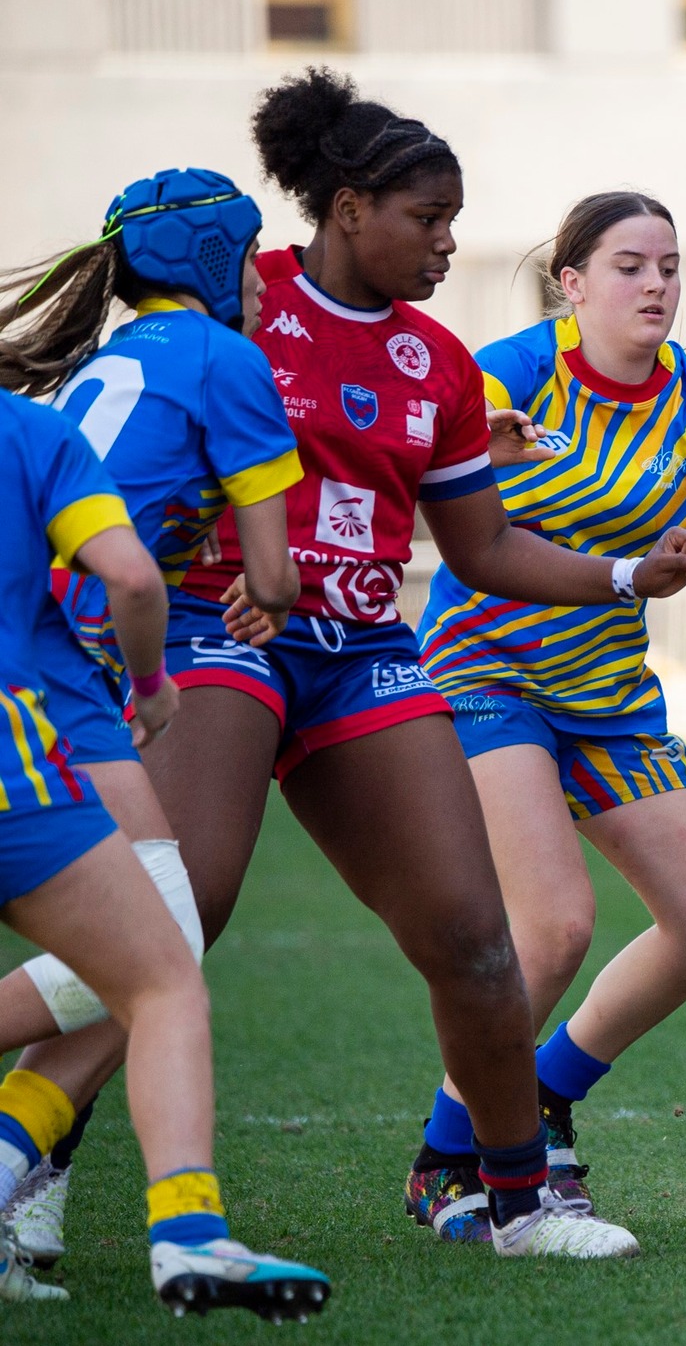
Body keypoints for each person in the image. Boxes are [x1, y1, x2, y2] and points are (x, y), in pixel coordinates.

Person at [0, 67, 686, 1261]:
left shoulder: (440, 364)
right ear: (344, 209)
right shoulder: (238, 295)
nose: (447, 243)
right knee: (178, 916)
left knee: (476, 937)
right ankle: (36, 1176)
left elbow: (480, 547)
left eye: (451, 220)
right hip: (214, 633)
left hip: (363, 653)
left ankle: (511, 1199)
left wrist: (625, 574)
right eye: (425, 218)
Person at [401, 190, 686, 1239]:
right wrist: (464, 457)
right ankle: (446, 1159)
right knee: (550, 926)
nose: (656, 285)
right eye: (630, 265)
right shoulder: (507, 371)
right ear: (572, 282)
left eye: (670, 267)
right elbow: (401, 477)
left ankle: (542, 1095)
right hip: (482, 672)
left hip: (609, 697)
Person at [0, 168, 302, 1265]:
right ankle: (172, 1227)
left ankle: (16, 1181)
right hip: (73, 669)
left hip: (38, 633)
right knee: (157, 944)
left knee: (151, 944)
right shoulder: (227, 359)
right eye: (253, 255)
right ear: (215, 262)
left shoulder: (98, 363)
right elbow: (269, 575)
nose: (267, 282)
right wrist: (254, 597)